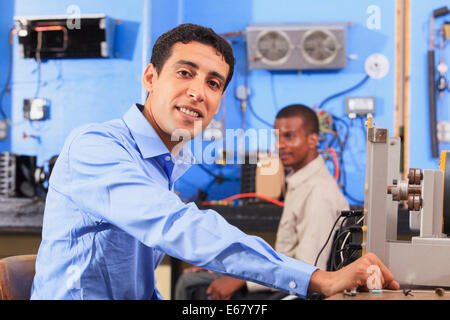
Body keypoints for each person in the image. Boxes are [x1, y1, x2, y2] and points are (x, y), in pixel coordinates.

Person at [30, 23, 399, 300]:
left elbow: (137, 287)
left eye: (213, 83)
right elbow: (176, 225)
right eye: (185, 73)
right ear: (150, 77)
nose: (197, 91)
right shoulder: (96, 146)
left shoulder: (164, 165)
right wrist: (318, 278)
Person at [175, 104, 349, 300]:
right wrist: (229, 269)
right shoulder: (301, 182)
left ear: (313, 140)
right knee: (196, 277)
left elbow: (308, 271)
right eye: (277, 137)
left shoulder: (318, 192)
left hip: (289, 291)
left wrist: (243, 279)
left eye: (289, 136)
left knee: (192, 286)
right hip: (281, 280)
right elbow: (287, 255)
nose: (280, 145)